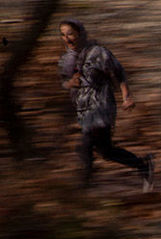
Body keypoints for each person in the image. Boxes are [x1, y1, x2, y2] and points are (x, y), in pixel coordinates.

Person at [58, 18, 154, 191]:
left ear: (80, 33)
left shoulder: (98, 53)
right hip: (84, 110)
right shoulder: (67, 59)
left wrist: (126, 97)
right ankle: (143, 164)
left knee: (84, 146)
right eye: (63, 35)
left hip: (101, 105)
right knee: (106, 151)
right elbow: (64, 82)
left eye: (70, 34)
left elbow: (119, 73)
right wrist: (70, 83)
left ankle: (82, 191)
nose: (67, 38)